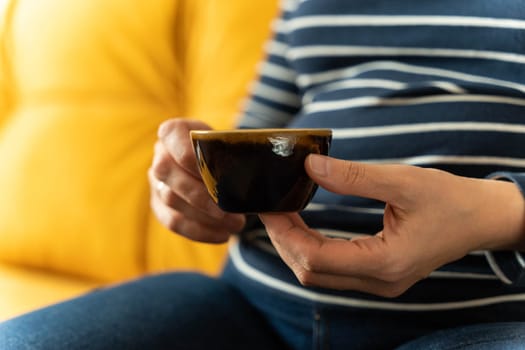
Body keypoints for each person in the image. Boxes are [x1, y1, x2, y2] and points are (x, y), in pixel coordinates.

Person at [2, 0, 525, 348]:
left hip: (479, 321)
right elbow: (256, 135)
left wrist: (506, 214)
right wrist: (196, 186)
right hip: (253, 303)